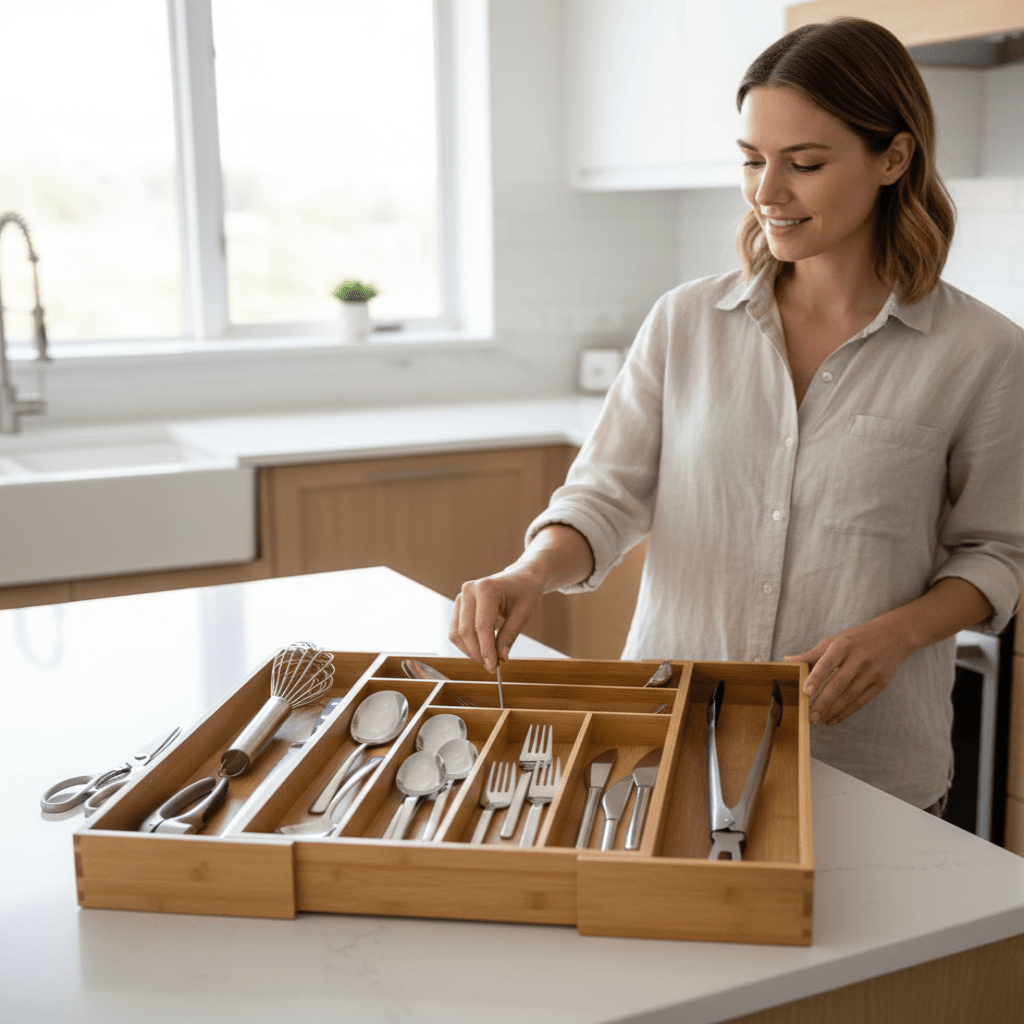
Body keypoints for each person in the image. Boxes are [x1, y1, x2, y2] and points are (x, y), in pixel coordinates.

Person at [449, 18, 1024, 812]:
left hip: (865, 757)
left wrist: (894, 635)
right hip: (671, 734)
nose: (767, 192)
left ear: (894, 158)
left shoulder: (983, 352)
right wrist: (531, 570)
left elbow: (996, 553)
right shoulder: (685, 322)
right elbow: (605, 496)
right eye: (753, 160)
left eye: (805, 164)